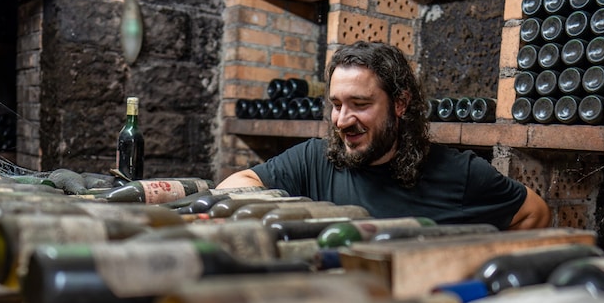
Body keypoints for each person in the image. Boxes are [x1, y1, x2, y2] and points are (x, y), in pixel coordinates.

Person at [217, 41, 551, 230]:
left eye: (359, 104)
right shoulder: (313, 160)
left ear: (400, 104)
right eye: (336, 105)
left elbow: (534, 213)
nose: (342, 120)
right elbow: (235, 185)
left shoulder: (458, 172)